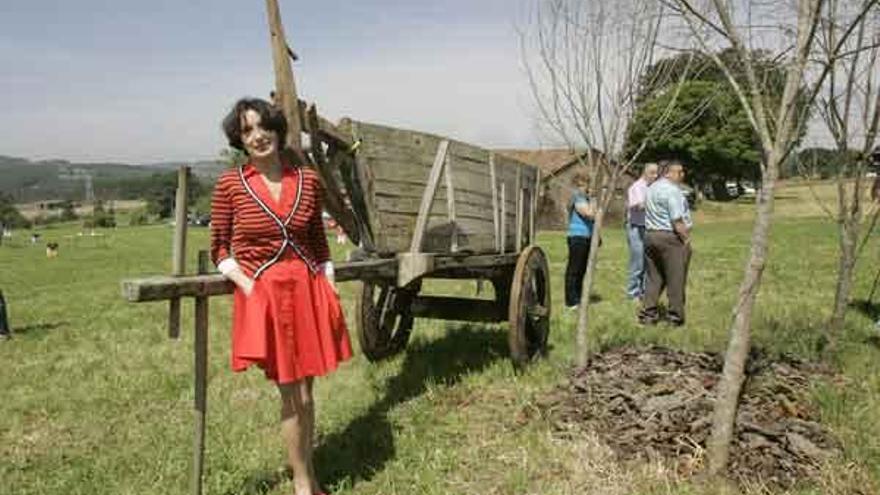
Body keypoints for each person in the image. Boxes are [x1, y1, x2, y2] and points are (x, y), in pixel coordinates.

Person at [210, 98, 352, 495]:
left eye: (262, 127)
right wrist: (247, 283)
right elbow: (219, 248)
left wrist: (328, 281)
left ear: (276, 128)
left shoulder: (306, 181)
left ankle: (308, 471)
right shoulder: (231, 185)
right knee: (291, 392)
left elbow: (319, 243)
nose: (257, 136)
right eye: (246, 131)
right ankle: (303, 484)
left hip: (306, 289)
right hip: (266, 295)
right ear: (240, 141)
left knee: (307, 393)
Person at [639, 160, 692, 326]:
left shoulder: (651, 188)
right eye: (679, 172)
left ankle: (648, 314)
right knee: (676, 279)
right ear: (668, 173)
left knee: (653, 278)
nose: (682, 175)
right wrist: (685, 239)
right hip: (669, 237)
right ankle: (675, 317)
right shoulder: (672, 191)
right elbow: (676, 219)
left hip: (650, 235)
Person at [625, 163, 659, 301]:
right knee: (638, 262)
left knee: (647, 261)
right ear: (644, 173)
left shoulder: (652, 187)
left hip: (647, 227)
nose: (655, 176)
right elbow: (638, 205)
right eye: (652, 173)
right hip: (635, 227)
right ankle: (633, 292)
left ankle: (644, 292)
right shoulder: (637, 187)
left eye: (656, 173)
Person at [564, 174, 596, 310]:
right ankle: (571, 301)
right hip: (577, 236)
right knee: (574, 269)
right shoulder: (578, 197)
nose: (587, 187)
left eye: (587, 184)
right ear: (578, 185)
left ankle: (578, 296)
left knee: (582, 269)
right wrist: (594, 200)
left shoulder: (585, 198)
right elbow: (589, 214)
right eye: (585, 184)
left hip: (586, 236)